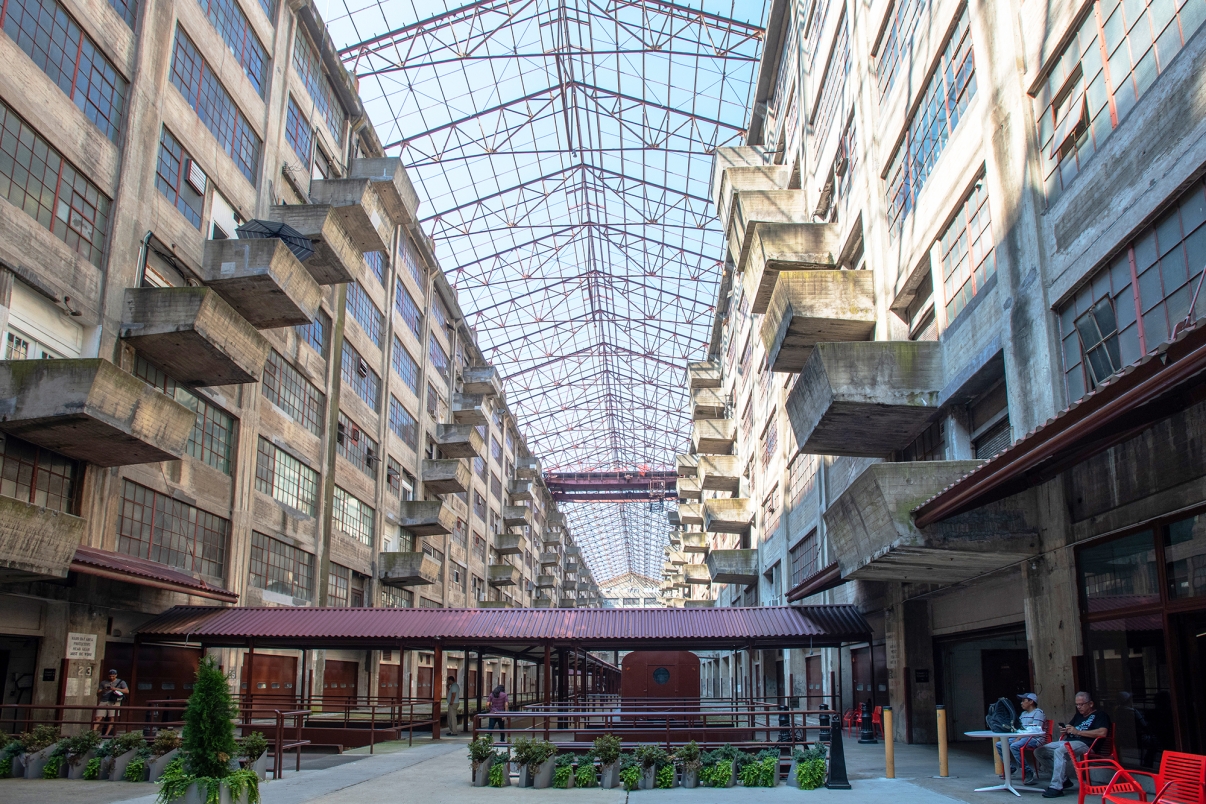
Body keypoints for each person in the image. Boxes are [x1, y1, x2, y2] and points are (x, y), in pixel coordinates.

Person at [1036, 691, 1111, 798]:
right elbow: (1070, 729)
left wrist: (1078, 732)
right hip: (1070, 741)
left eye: (1081, 704)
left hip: (1086, 744)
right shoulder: (1078, 716)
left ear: (1090, 704)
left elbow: (1102, 733)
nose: (1079, 707)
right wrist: (1065, 730)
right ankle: (1064, 779)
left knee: (1060, 751)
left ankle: (1056, 787)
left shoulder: (1100, 715)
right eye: (1077, 705)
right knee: (1039, 751)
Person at [996, 693, 1047, 786]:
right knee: (1000, 744)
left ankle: (1028, 772)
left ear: (1031, 702)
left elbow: (1035, 730)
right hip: (1022, 737)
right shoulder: (1023, 714)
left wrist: (1019, 737)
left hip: (1035, 739)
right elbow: (1019, 728)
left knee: (1014, 746)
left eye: (1024, 701)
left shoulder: (1038, 713)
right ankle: (1010, 768)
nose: (1021, 703)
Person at [92, 669, 129, 736]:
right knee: (98, 717)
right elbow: (98, 692)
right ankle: (93, 732)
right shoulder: (103, 682)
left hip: (114, 701)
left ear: (116, 675)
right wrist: (104, 689)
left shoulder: (121, 682)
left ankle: (107, 734)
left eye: (113, 676)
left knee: (112, 718)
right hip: (104, 700)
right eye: (110, 676)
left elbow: (126, 691)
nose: (111, 677)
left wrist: (115, 689)